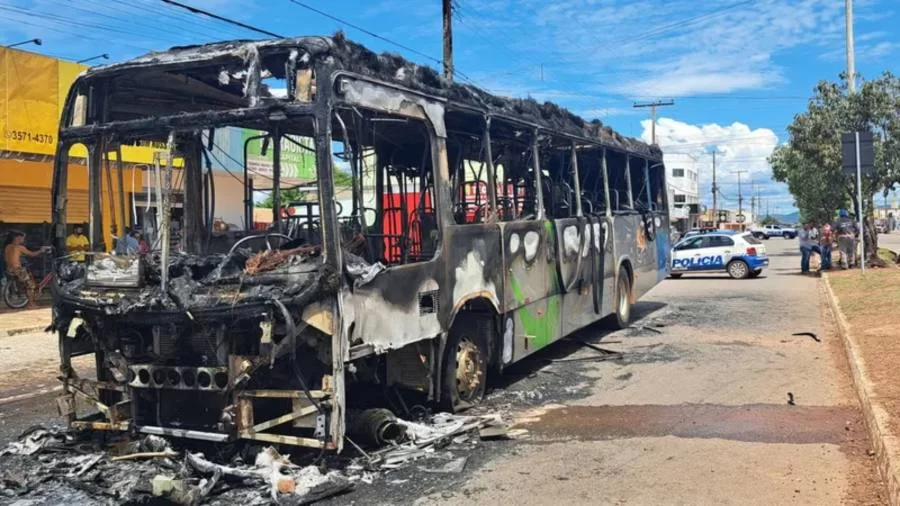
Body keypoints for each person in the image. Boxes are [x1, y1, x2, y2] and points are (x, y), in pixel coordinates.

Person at [3, 231, 50, 308]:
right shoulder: (19, 247)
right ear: (18, 238)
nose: (24, 240)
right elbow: (32, 254)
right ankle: (31, 304)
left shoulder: (7, 247)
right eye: (23, 238)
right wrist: (41, 251)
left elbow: (6, 259)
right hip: (18, 269)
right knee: (31, 286)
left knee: (28, 275)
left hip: (9, 269)